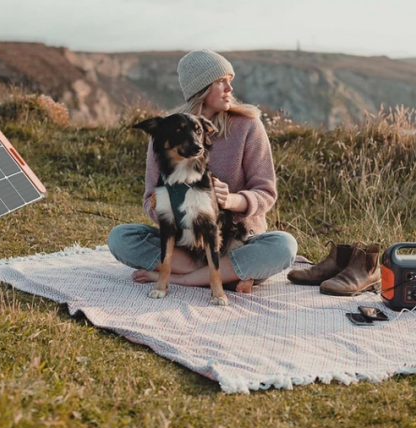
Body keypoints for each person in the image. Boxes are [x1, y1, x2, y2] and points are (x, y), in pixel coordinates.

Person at [108, 49, 297, 293]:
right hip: (184, 242)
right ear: (201, 88)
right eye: (221, 81)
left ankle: (184, 279)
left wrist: (230, 200)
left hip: (237, 240)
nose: (230, 88)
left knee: (284, 245)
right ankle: (227, 274)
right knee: (121, 238)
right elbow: (149, 200)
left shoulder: (248, 126)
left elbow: (266, 192)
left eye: (230, 80)